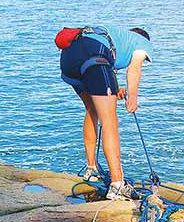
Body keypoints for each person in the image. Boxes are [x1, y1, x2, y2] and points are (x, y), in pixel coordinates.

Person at [60, 25, 154, 200]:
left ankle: (91, 169)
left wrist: (115, 89)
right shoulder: (142, 42)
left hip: (69, 58)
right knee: (109, 121)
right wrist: (133, 97)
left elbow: (106, 70)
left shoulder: (115, 36)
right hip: (94, 57)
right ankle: (118, 185)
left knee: (92, 109)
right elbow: (134, 68)